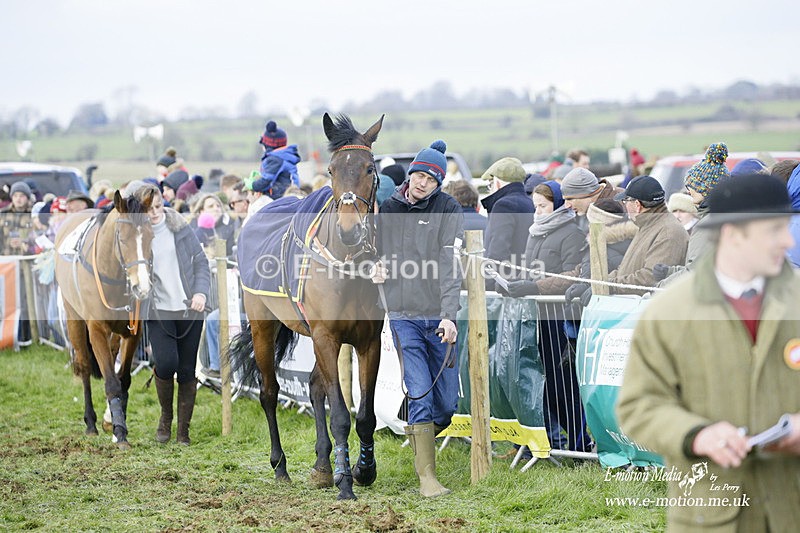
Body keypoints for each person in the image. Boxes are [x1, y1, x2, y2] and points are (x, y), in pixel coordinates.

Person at [617, 173, 800, 531]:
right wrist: (696, 435)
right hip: (711, 515)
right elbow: (639, 406)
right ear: (732, 235)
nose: (787, 241)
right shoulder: (669, 311)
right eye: (773, 231)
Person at [374, 140, 464, 497]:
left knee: (445, 405)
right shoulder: (389, 208)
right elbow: (374, 251)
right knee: (421, 389)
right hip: (403, 315)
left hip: (438, 316)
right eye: (419, 174)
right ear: (410, 173)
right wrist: (376, 266)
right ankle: (427, 478)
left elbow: (449, 265)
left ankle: (413, 423)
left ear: (439, 183)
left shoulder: (448, 208)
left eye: (431, 178)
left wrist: (448, 315)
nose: (423, 182)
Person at [495, 181, 588, 452]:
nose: (537, 212)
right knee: (537, 381)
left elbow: (571, 275)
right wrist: (515, 284)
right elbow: (530, 270)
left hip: (558, 317)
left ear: (557, 204)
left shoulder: (570, 233)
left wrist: (534, 287)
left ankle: (580, 443)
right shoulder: (534, 232)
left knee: (563, 385)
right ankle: (548, 440)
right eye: (535, 206)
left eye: (543, 206)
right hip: (534, 316)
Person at [136, 182, 211, 446]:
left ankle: (183, 432)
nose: (155, 213)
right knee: (167, 364)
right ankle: (166, 417)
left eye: (158, 206)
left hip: (190, 309)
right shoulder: (138, 236)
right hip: (159, 311)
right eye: (148, 209)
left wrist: (201, 293)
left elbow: (201, 262)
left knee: (188, 370)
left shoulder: (179, 227)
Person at [480, 157, 535, 276]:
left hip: (503, 284)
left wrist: (489, 283)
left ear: (497, 183)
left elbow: (498, 252)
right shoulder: (530, 203)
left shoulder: (503, 205)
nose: (490, 190)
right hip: (524, 277)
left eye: (491, 184)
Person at [255, 120, 301, 200]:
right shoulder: (284, 156)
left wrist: (252, 185)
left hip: (280, 197)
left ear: (268, 146)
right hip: (290, 193)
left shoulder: (275, 159)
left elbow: (266, 181)